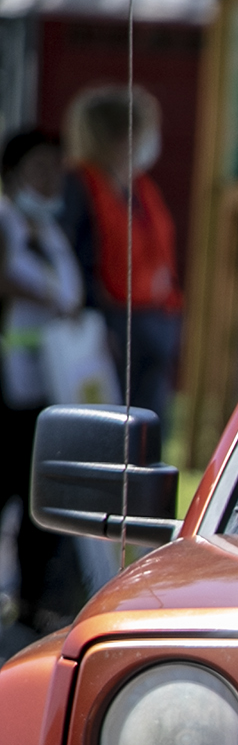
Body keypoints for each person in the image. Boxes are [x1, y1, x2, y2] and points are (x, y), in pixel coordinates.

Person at [0, 126, 83, 633]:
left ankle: (29, 602)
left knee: (34, 497)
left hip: (44, 385)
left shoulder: (47, 229)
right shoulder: (6, 217)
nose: (50, 179)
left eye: (56, 168)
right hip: (8, 387)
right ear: (13, 174)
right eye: (39, 168)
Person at [60, 85, 178, 423]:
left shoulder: (138, 186)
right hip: (111, 325)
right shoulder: (79, 185)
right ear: (120, 135)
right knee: (108, 423)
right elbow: (78, 260)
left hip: (154, 319)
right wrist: (96, 322)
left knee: (150, 423)